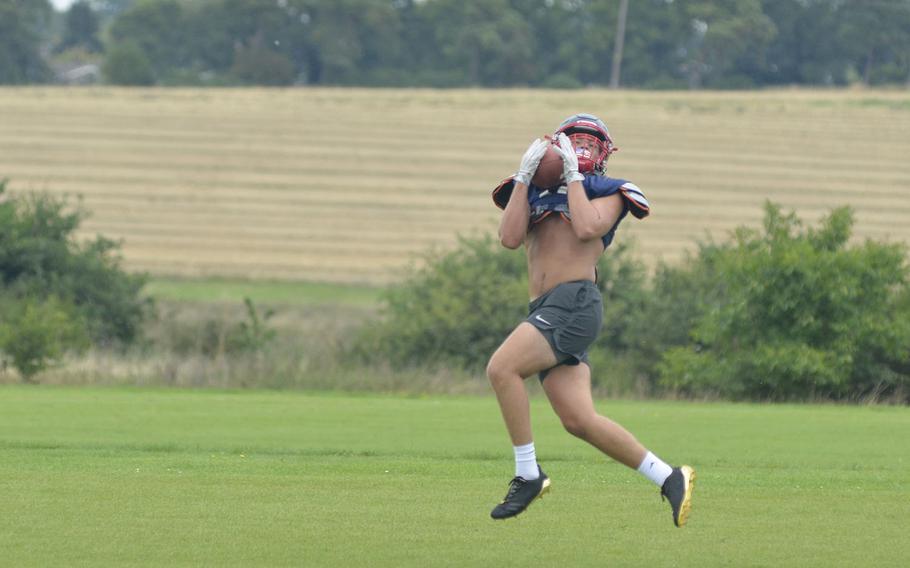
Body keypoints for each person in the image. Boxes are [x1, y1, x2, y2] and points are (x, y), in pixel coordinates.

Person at [487, 113, 695, 526]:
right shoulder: (536, 190)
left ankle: (527, 473)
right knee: (579, 420)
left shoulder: (610, 191)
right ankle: (669, 477)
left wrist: (573, 178)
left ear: (604, 153)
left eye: (590, 142)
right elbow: (510, 238)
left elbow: (585, 228)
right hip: (547, 308)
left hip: (573, 303)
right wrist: (526, 177)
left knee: (502, 368)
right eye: (573, 140)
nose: (581, 147)